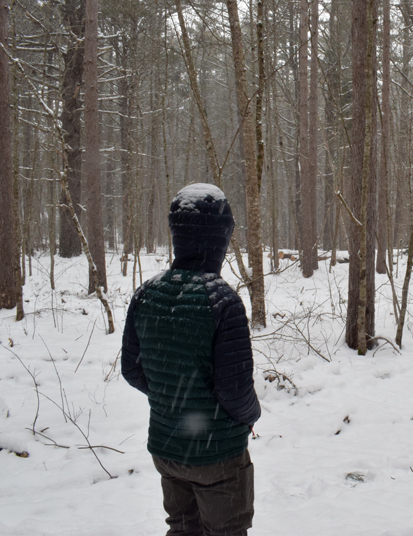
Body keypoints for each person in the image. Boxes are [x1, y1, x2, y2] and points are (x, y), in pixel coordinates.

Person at [122, 183, 262, 536]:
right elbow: (234, 389)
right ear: (220, 237)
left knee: (182, 530)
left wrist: (170, 397)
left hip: (167, 450)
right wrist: (251, 416)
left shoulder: (146, 294)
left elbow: (132, 369)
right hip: (218, 455)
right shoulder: (222, 301)